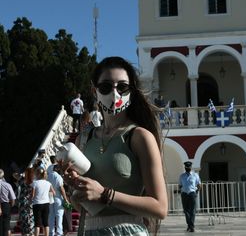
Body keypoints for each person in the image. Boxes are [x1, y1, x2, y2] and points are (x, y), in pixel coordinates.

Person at [61, 56, 167, 236]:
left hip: (128, 231)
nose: (115, 93)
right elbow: (83, 207)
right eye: (106, 86)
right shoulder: (84, 139)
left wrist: (105, 194)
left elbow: (160, 207)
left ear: (131, 92)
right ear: (94, 91)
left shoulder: (139, 137)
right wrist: (74, 189)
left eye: (122, 87)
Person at [178, 162, 201, 232]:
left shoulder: (195, 175)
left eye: (189, 167)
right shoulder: (182, 176)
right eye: (186, 167)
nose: (187, 168)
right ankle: (190, 225)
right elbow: (180, 185)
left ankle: (191, 226)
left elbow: (199, 185)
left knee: (192, 210)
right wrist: (181, 191)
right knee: (186, 210)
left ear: (191, 167)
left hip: (192, 193)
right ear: (185, 168)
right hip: (184, 194)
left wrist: (196, 192)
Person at [47, 165, 68, 236]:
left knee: (51, 216)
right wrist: (66, 199)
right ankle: (59, 232)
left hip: (49, 197)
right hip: (57, 197)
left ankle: (51, 232)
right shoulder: (58, 177)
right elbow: (61, 189)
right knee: (59, 215)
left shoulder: (47, 176)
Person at [31, 168, 53, 236]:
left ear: (37, 174)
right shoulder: (48, 183)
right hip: (46, 203)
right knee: (45, 222)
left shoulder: (35, 183)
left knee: (37, 223)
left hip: (37, 203)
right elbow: (53, 192)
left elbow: (32, 195)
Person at [17, 168, 35, 236]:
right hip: (30, 202)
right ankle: (30, 233)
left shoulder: (22, 180)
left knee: (24, 218)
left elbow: (14, 175)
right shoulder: (33, 181)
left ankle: (25, 233)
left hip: (23, 202)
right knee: (30, 218)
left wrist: (22, 175)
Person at [0, 169, 17, 236]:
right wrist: (11, 206)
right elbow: (13, 198)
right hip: (6, 205)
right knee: (6, 225)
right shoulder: (7, 185)